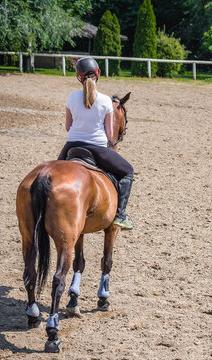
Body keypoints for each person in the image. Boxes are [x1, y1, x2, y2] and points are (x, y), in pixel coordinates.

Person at [57, 57, 134, 230]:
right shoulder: (106, 100)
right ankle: (120, 215)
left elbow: (68, 127)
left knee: (54, 173)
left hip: (71, 147)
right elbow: (109, 134)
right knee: (128, 172)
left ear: (79, 77)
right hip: (97, 149)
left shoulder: (71, 97)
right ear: (98, 73)